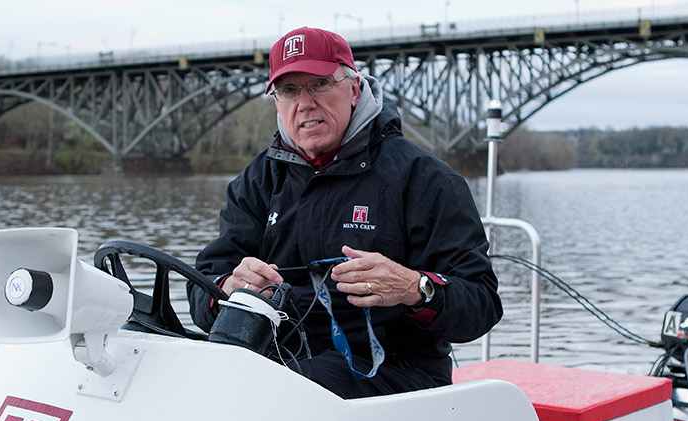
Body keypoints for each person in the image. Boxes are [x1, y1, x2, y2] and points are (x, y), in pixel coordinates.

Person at [188, 27, 501, 399]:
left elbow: (481, 303)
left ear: (354, 89)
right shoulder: (258, 180)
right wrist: (227, 288)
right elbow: (201, 285)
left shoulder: (425, 179)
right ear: (276, 102)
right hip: (278, 357)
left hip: (396, 371)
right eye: (289, 90)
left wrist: (413, 287)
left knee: (283, 391)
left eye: (320, 84)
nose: (304, 103)